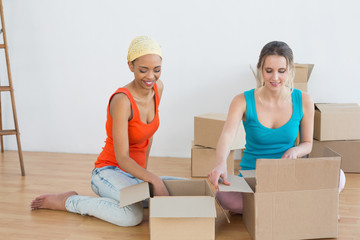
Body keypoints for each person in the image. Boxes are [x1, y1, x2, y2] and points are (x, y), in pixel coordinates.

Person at [30, 36, 178, 226]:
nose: (151, 76)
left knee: (180, 188)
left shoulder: (158, 88)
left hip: (135, 173)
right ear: (130, 66)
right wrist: (153, 180)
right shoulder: (122, 101)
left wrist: (144, 174)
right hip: (110, 171)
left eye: (156, 70)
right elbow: (122, 157)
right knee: (132, 216)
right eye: (143, 70)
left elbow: (148, 135)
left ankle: (120, 197)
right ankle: (68, 201)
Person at [208, 41, 346, 214]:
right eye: (269, 71)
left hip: (288, 175)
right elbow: (227, 136)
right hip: (254, 179)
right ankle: (297, 205)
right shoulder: (241, 100)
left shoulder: (304, 100)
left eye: (281, 71)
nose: (275, 78)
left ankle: (268, 207)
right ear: (260, 69)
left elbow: (307, 143)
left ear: (290, 70)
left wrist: (296, 151)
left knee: (338, 176)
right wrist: (220, 164)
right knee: (223, 195)